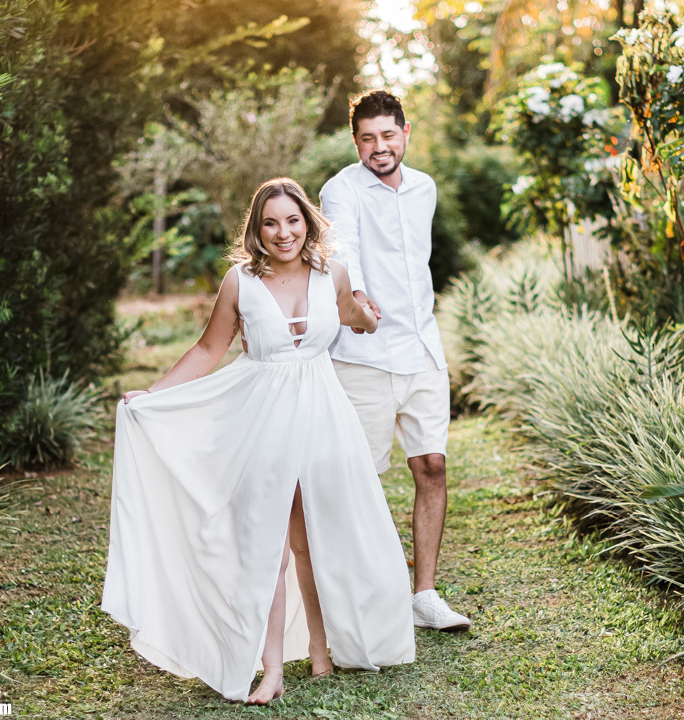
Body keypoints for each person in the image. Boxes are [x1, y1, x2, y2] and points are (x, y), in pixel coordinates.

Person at [101, 177, 415, 705]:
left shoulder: (332, 274)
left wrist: (366, 315)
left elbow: (354, 315)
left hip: (323, 416)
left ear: (307, 223)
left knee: (314, 536)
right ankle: (271, 669)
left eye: (292, 220)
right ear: (257, 229)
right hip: (261, 418)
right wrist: (152, 395)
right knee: (267, 544)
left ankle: (320, 647)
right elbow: (209, 349)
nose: (283, 232)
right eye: (271, 223)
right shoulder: (240, 282)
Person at [320, 90, 471, 632]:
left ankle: (424, 596)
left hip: (423, 349)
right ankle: (356, 598)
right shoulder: (340, 190)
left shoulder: (424, 188)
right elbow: (344, 250)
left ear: (406, 132)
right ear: (355, 141)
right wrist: (357, 295)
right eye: (367, 138)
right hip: (364, 354)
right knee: (358, 478)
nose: (379, 147)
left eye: (388, 135)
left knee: (432, 466)